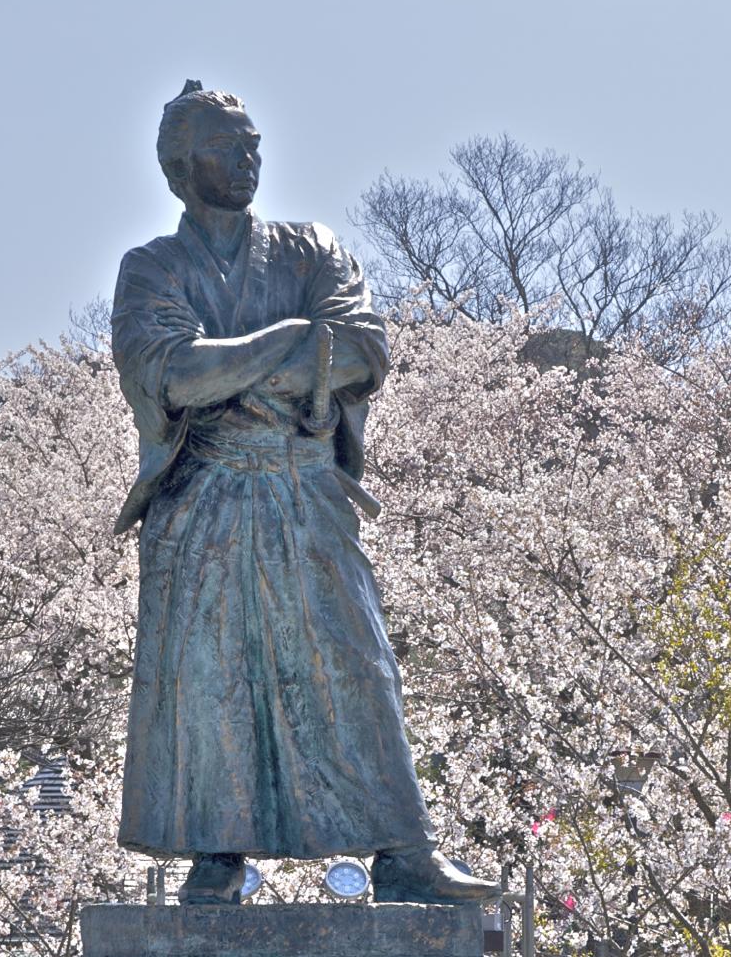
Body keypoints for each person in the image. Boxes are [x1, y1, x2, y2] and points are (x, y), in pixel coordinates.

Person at [110, 80, 497, 907]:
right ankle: (215, 852)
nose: (247, 158)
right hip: (203, 496)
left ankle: (403, 851)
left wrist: (239, 366)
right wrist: (292, 344)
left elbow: (362, 351)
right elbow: (168, 372)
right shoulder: (151, 268)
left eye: (252, 143)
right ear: (181, 166)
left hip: (302, 484)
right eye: (225, 146)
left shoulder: (311, 248)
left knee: (352, 665)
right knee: (210, 674)